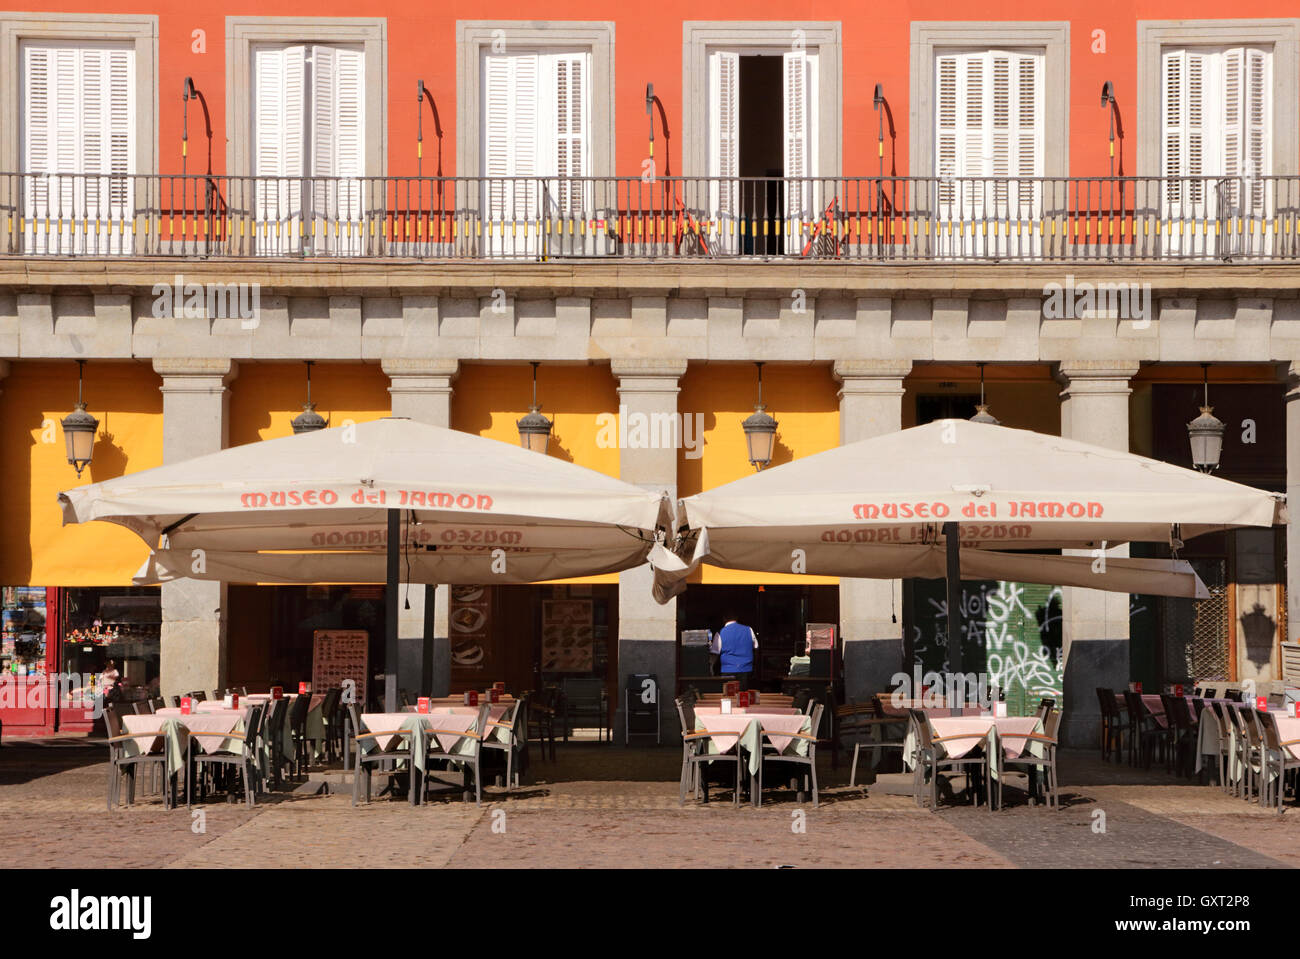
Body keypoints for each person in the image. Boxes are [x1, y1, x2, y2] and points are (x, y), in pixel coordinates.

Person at [711, 614, 758, 690]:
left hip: (728, 669)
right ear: (737, 618)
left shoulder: (720, 632)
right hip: (746, 669)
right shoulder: (749, 629)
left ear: (724, 619)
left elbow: (715, 653)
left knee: (729, 696)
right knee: (744, 696)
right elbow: (756, 647)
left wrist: (711, 668)